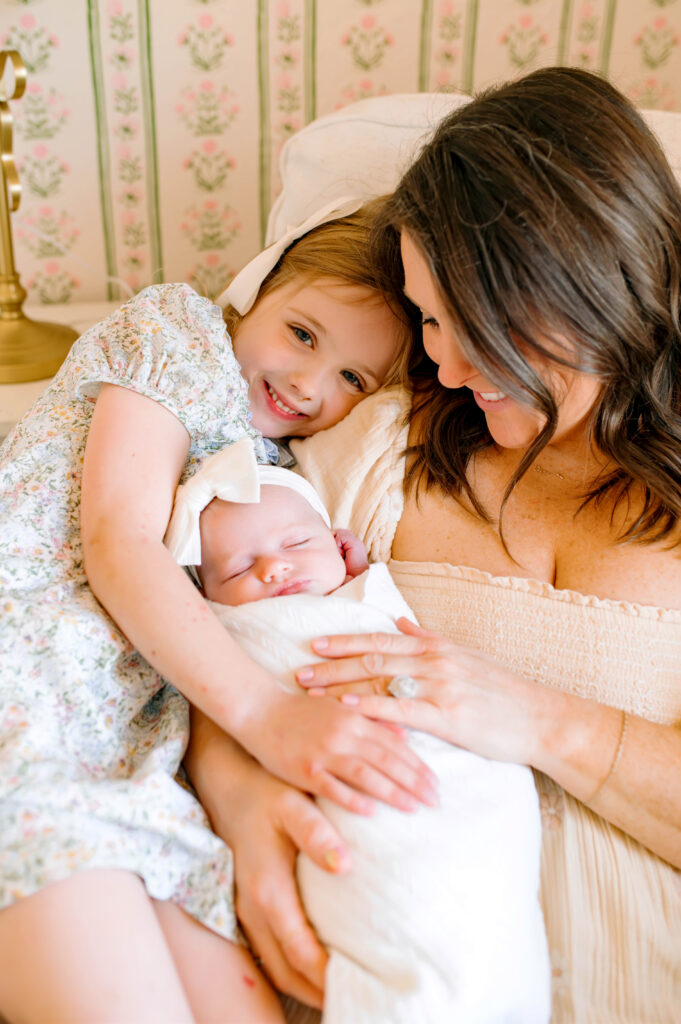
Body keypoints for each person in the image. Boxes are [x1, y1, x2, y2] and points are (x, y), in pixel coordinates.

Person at [184, 67, 681, 1023]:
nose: (441, 363)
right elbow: (218, 629)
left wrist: (541, 720)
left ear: (578, 289)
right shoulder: (378, 448)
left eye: (468, 323)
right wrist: (237, 793)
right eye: (425, 320)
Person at [0, 198, 440, 1024]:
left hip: (139, 745)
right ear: (261, 287)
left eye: (354, 378)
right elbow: (118, 539)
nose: (311, 385)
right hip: (28, 681)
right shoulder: (181, 331)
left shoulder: (280, 461)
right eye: (303, 334)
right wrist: (267, 714)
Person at [165, 440, 550, 1024]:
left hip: (445, 765)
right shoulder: (225, 628)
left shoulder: (365, 591)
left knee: (480, 876)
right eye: (240, 567)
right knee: (384, 893)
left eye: (296, 543)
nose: (274, 567)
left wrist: (360, 574)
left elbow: (397, 634)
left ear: (340, 549)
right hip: (326, 778)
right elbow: (203, 674)